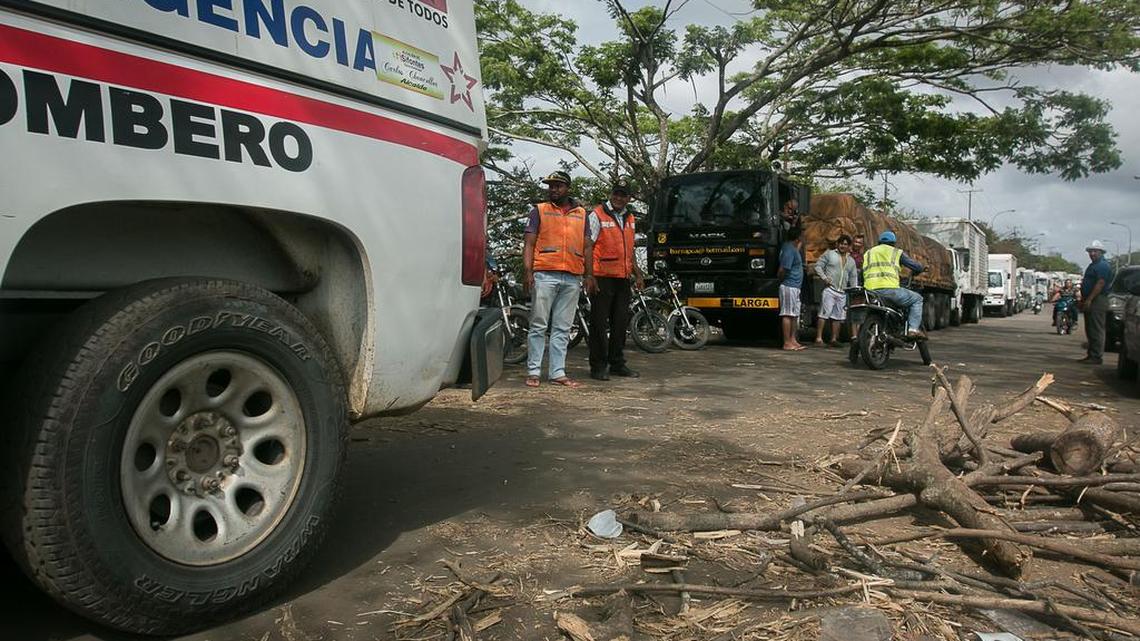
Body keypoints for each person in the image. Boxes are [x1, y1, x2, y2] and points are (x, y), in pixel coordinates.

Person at [523, 170, 587, 388]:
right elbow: (529, 243)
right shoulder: (539, 210)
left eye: (558, 186)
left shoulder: (582, 214)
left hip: (572, 275)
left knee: (563, 327)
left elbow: (588, 246)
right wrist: (528, 272)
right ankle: (534, 371)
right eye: (551, 186)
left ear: (568, 188)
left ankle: (557, 372)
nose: (553, 189)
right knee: (538, 325)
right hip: (545, 273)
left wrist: (589, 275)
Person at [583, 177, 646, 381]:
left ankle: (617, 363)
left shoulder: (630, 217)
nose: (619, 198)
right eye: (616, 193)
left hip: (622, 277)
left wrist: (637, 273)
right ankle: (598, 366)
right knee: (599, 323)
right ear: (611, 194)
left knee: (620, 322)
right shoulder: (597, 214)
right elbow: (588, 246)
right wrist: (589, 275)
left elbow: (630, 249)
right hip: (602, 276)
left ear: (629, 198)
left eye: (623, 195)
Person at [863, 231, 926, 340]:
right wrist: (920, 268)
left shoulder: (868, 253)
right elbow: (915, 266)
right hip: (890, 290)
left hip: (869, 291)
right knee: (917, 299)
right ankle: (913, 330)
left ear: (879, 242)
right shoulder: (896, 252)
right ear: (893, 243)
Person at [814, 234, 858, 347]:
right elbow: (818, 266)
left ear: (849, 246)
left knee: (838, 317)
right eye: (841, 243)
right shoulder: (830, 254)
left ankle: (834, 339)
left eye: (846, 244)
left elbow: (853, 277)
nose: (843, 246)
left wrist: (854, 290)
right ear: (837, 244)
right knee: (824, 314)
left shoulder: (851, 261)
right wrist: (824, 278)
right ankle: (818, 338)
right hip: (830, 289)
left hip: (842, 292)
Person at [1078, 240, 1114, 364]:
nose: (1092, 254)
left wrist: (1089, 299)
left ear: (1101, 252)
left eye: (1095, 251)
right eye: (1090, 251)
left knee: (1096, 328)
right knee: (1090, 328)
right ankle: (1091, 354)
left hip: (1098, 299)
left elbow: (1100, 283)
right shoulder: (1093, 265)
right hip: (1090, 298)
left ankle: (1096, 356)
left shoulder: (1102, 266)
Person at [777, 226, 805, 351]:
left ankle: (793, 340)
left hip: (796, 286)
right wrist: (781, 279)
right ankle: (787, 342)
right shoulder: (788, 249)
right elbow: (783, 269)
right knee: (787, 314)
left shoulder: (793, 248)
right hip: (789, 285)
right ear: (798, 237)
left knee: (794, 315)